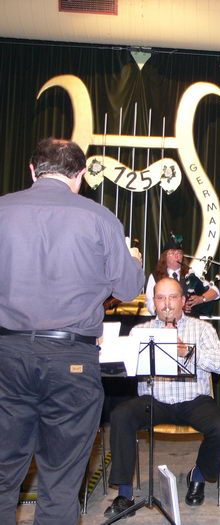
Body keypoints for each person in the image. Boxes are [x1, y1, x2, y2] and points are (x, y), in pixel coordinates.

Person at [0, 138, 144, 525]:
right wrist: (133, 259)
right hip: (71, 361)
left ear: (32, 170)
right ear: (80, 175)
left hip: (7, 357)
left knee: (1, 476)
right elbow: (130, 290)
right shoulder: (99, 218)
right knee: (61, 482)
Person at [104, 278, 220, 517]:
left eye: (172, 297)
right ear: (154, 302)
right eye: (161, 298)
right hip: (153, 400)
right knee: (120, 415)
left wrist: (188, 352)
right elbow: (123, 367)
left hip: (194, 400)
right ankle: (124, 493)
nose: (166, 304)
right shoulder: (139, 331)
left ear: (183, 301)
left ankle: (199, 475)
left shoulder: (202, 329)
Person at [144, 235, 220, 317]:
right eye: (172, 253)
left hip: (190, 324)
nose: (177, 256)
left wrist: (201, 299)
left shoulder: (190, 275)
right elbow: (151, 305)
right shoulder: (156, 277)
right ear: (165, 257)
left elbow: (215, 291)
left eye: (179, 253)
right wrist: (177, 309)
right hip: (165, 324)